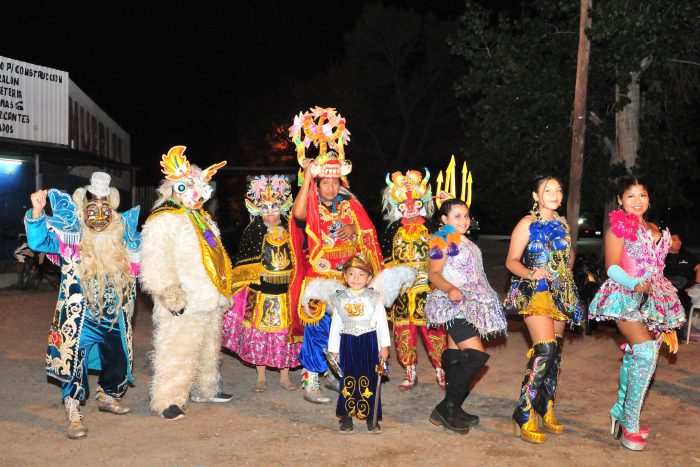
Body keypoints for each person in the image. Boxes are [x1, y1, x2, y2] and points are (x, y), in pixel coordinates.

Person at [25, 172, 141, 439]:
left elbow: (151, 256)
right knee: (73, 361)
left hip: (115, 315)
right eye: (93, 204)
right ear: (83, 206)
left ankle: (108, 395)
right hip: (80, 316)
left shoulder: (123, 237)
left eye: (105, 205)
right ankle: (73, 409)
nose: (99, 211)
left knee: (120, 360)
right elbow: (37, 241)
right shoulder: (70, 238)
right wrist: (37, 211)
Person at [288, 107, 384, 404]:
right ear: (317, 185)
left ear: (340, 183)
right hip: (318, 277)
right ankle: (311, 381)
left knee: (347, 330)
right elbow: (299, 214)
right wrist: (306, 178)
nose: (329, 187)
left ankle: (333, 375)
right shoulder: (312, 205)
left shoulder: (351, 207)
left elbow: (369, 236)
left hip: (347, 279)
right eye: (323, 183)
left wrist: (353, 235)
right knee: (317, 329)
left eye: (334, 182)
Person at [589, 175, 684, 451]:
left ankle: (621, 411)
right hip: (624, 295)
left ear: (649, 199)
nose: (637, 201)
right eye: (630, 196)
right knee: (644, 353)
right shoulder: (617, 228)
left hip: (655, 299)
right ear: (620, 201)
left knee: (635, 357)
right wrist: (635, 284)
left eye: (642, 195)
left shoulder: (653, 227)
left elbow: (659, 259)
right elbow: (611, 266)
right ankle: (630, 424)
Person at [140, 146, 234, 421]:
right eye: (186, 186)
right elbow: (155, 260)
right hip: (184, 300)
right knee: (177, 349)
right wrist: (169, 291)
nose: (195, 192)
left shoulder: (203, 218)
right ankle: (168, 400)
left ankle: (206, 389)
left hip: (209, 297)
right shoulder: (163, 219)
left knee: (207, 348)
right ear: (173, 189)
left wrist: (223, 289)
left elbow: (217, 256)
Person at [503, 175, 583, 444]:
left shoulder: (563, 224)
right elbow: (511, 261)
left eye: (559, 190)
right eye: (548, 190)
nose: (555, 194)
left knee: (555, 354)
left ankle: (545, 406)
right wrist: (530, 273)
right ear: (536, 196)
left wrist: (566, 271)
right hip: (536, 294)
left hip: (560, 294)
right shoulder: (526, 224)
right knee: (545, 349)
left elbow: (569, 256)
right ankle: (523, 413)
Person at [425, 198, 507, 434]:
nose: (464, 220)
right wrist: (450, 289)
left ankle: (454, 408)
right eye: (457, 216)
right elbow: (433, 274)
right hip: (454, 304)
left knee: (457, 355)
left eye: (466, 215)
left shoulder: (466, 241)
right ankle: (446, 407)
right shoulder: (441, 240)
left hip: (467, 303)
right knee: (475, 356)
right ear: (444, 220)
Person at [221, 175, 302, 392]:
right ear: (256, 209)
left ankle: (285, 377)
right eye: (264, 208)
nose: (269, 212)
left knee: (285, 336)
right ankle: (261, 377)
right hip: (260, 294)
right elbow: (244, 263)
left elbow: (299, 259)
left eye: (274, 207)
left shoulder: (291, 230)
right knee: (260, 335)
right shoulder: (253, 231)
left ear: (283, 207)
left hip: (285, 295)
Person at [381, 169, 446, 390]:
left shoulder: (432, 227)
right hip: (401, 291)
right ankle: (410, 372)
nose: (409, 209)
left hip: (428, 288)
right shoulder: (392, 231)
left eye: (414, 203)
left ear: (422, 202)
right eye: (404, 205)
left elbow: (447, 253)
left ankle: (441, 370)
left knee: (434, 331)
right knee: (403, 332)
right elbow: (387, 261)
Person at [664, 231, 700, 340]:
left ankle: (678, 331)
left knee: (681, 300)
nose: (679, 242)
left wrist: (696, 285)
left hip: (683, 292)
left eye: (679, 239)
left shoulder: (688, 256)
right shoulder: (661, 256)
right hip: (664, 292)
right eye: (675, 239)